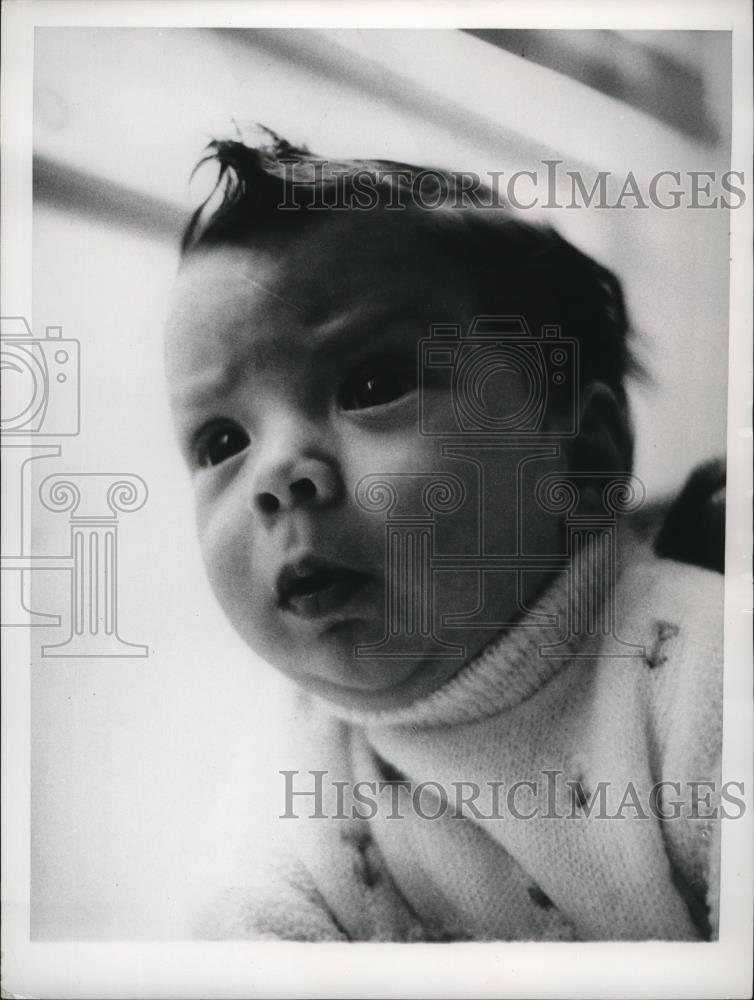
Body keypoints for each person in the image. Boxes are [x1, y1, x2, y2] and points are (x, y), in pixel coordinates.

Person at [164, 130, 724, 941]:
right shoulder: (290, 758)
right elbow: (243, 935)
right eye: (222, 442)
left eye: (371, 385)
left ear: (583, 457)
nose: (278, 473)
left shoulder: (697, 672)